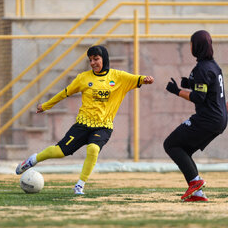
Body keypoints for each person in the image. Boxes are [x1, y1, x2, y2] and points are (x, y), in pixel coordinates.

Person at [16, 45, 154, 194]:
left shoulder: (119, 77)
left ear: (104, 59)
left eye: (96, 59)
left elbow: (139, 79)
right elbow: (64, 93)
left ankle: (80, 185)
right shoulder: (83, 78)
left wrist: (146, 79)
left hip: (104, 126)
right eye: (90, 60)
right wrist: (46, 106)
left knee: (93, 149)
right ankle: (33, 160)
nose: (93, 63)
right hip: (82, 125)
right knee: (59, 152)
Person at [165, 30, 227, 202]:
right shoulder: (214, 66)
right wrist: (190, 83)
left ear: (197, 46)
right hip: (219, 119)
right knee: (183, 149)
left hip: (208, 119)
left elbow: (199, 97)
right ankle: (197, 193)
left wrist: (177, 91)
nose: (190, 46)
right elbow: (208, 88)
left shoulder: (202, 68)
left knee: (170, 144)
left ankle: (196, 182)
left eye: (191, 43)